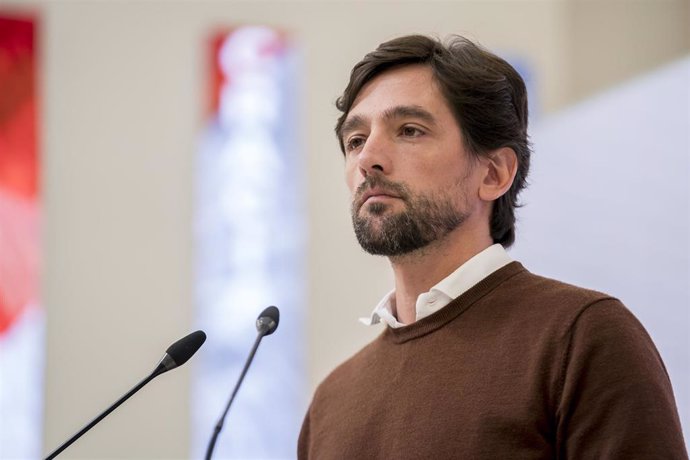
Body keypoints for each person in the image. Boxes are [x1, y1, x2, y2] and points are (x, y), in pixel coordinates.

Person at [297, 34, 688, 459]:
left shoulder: (581, 338)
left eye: (409, 130)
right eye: (355, 140)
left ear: (494, 174)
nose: (367, 158)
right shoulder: (331, 402)